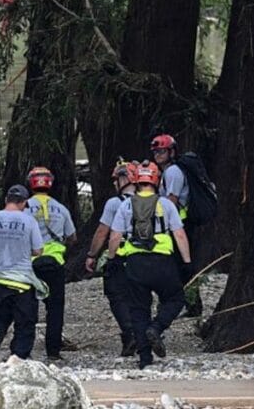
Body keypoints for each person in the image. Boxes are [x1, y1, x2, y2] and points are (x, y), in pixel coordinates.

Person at [106, 160, 192, 369]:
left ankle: (145, 358)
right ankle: (157, 327)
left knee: (138, 309)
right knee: (175, 298)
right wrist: (187, 262)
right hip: (163, 262)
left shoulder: (126, 205)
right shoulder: (167, 204)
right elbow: (179, 234)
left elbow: (115, 236)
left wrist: (111, 259)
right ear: (156, 180)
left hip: (135, 264)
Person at [0, 184, 46, 365]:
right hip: (21, 283)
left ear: (6, 200)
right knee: (25, 323)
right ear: (23, 203)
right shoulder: (29, 222)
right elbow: (38, 250)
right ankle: (19, 357)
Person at [84, 160, 139, 357]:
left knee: (116, 296)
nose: (115, 184)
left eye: (117, 180)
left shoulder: (115, 203)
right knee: (139, 298)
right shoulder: (153, 201)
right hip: (146, 258)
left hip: (121, 256)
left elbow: (102, 232)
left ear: (125, 179)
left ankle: (129, 333)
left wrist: (92, 255)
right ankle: (142, 334)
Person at [24, 166, 77, 361]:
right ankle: (53, 351)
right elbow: (72, 237)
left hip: (31, 264)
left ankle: (24, 348)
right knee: (55, 308)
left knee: (28, 307)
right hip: (55, 263)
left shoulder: (24, 207)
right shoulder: (61, 208)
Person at [151, 133, 202, 317]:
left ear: (171, 152)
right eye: (156, 151)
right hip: (179, 224)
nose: (158, 155)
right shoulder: (168, 172)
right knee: (182, 264)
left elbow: (171, 201)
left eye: (162, 151)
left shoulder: (172, 172)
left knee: (180, 264)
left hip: (179, 225)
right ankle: (191, 303)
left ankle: (188, 303)